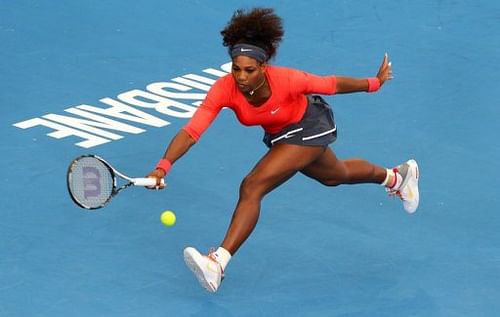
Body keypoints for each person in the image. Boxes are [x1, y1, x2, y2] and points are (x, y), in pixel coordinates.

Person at [147, 7, 419, 293]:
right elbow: (192, 131)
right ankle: (398, 177)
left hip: (310, 124)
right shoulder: (224, 89)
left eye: (249, 70)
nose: (241, 77)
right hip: (281, 135)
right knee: (334, 175)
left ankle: (218, 262)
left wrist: (374, 84)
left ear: (263, 67)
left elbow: (330, 84)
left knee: (252, 186)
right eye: (235, 68)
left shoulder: (287, 79)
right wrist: (162, 166)